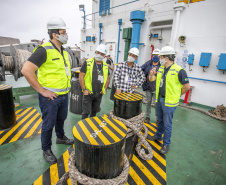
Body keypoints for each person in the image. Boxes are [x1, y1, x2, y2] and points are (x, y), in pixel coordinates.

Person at [21, 17, 74, 165]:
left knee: (61, 119)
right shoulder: (44, 50)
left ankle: (60, 137)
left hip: (63, 95)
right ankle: (46, 149)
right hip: (50, 97)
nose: (66, 35)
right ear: (55, 34)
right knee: (48, 124)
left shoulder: (63, 51)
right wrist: (43, 91)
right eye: (63, 32)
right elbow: (26, 70)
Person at [148, 46, 190, 154]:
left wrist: (176, 95)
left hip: (169, 103)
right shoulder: (161, 68)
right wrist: (151, 74)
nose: (159, 58)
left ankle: (166, 144)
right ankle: (158, 136)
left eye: (161, 56)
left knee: (167, 124)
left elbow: (186, 87)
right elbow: (152, 80)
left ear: (166, 58)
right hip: (159, 100)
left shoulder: (179, 71)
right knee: (160, 120)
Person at [79, 44, 110, 119]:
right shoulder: (87, 63)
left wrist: (104, 89)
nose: (99, 55)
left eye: (102, 54)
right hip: (88, 93)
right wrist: (84, 90)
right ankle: (83, 127)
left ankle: (91, 126)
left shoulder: (105, 66)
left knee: (94, 111)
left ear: (104, 56)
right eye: (98, 52)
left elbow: (107, 79)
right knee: (86, 112)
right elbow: (81, 76)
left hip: (99, 94)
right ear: (95, 52)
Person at [141, 48, 161, 124]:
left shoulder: (161, 65)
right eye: (154, 55)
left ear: (160, 57)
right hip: (148, 87)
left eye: (157, 55)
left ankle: (158, 118)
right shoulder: (148, 63)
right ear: (152, 55)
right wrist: (144, 77)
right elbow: (141, 69)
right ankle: (148, 116)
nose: (155, 57)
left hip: (156, 88)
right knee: (148, 102)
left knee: (156, 104)